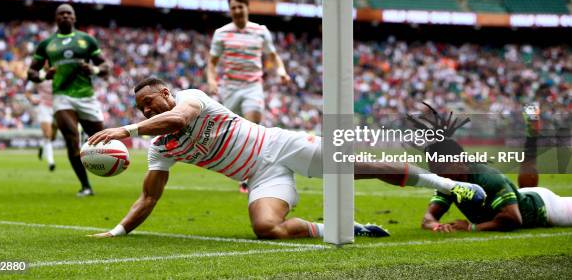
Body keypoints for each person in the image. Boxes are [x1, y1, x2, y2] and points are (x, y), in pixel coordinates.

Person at [86, 77, 486, 239]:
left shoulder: (191, 98)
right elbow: (150, 196)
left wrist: (126, 130)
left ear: (166, 92)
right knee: (266, 229)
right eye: (138, 109)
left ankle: (452, 186)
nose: (144, 111)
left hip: (279, 145)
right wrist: (118, 231)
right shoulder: (160, 146)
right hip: (259, 175)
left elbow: (181, 117)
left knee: (359, 167)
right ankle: (348, 229)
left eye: (147, 102)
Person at [410, 105, 572, 232]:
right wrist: (436, 226)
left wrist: (471, 228)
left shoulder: (487, 177)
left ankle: (532, 138)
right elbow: (429, 217)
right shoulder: (447, 182)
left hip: (547, 208)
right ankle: (531, 137)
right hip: (522, 196)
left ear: (458, 162)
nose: (437, 174)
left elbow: (514, 219)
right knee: (524, 186)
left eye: (441, 167)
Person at [207, 0, 290, 193]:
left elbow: (273, 55)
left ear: (247, 8)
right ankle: (236, 164)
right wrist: (211, 80)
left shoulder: (260, 31)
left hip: (252, 86)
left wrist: (281, 71)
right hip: (230, 87)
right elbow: (212, 62)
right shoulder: (222, 33)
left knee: (253, 126)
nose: (236, 11)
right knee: (228, 132)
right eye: (233, 8)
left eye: (240, 7)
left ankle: (248, 175)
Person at [27, 4, 110, 196]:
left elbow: (104, 66)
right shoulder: (47, 44)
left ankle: (107, 165)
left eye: (69, 13)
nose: (65, 16)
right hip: (62, 97)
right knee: (72, 139)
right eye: (61, 14)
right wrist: (43, 76)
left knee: (102, 139)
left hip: (86, 96)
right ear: (56, 19)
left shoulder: (86, 40)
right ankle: (86, 186)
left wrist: (95, 70)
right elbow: (31, 72)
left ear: (74, 18)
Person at [25, 77, 56, 171]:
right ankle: (51, 162)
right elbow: (27, 92)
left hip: (57, 107)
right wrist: (32, 99)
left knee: (52, 137)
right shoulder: (38, 75)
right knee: (47, 134)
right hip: (44, 108)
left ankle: (42, 146)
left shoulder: (59, 73)